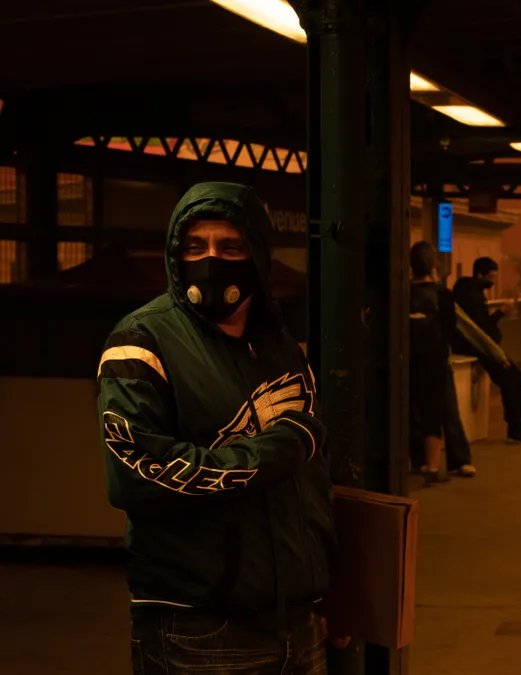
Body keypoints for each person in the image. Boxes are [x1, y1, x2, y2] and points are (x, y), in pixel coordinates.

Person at [97, 182, 337, 674]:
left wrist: (329, 587)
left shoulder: (278, 345)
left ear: (257, 254)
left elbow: (311, 485)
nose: (211, 259)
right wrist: (277, 450)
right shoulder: (140, 343)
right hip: (197, 631)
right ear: (175, 254)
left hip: (298, 624)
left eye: (230, 246)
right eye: (195, 247)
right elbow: (139, 474)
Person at [452, 257, 521, 444]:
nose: (492, 281)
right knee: (514, 379)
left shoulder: (467, 291)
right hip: (479, 347)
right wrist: (501, 313)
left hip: (475, 345)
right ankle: (516, 428)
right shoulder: (473, 295)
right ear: (480, 274)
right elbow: (482, 330)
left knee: (513, 379)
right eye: (490, 277)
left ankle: (516, 427)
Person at [409, 241, 458, 485]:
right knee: (433, 414)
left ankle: (415, 461)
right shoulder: (442, 294)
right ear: (433, 265)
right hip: (435, 360)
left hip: (407, 361)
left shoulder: (402, 292)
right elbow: (451, 329)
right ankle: (432, 467)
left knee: (410, 410)